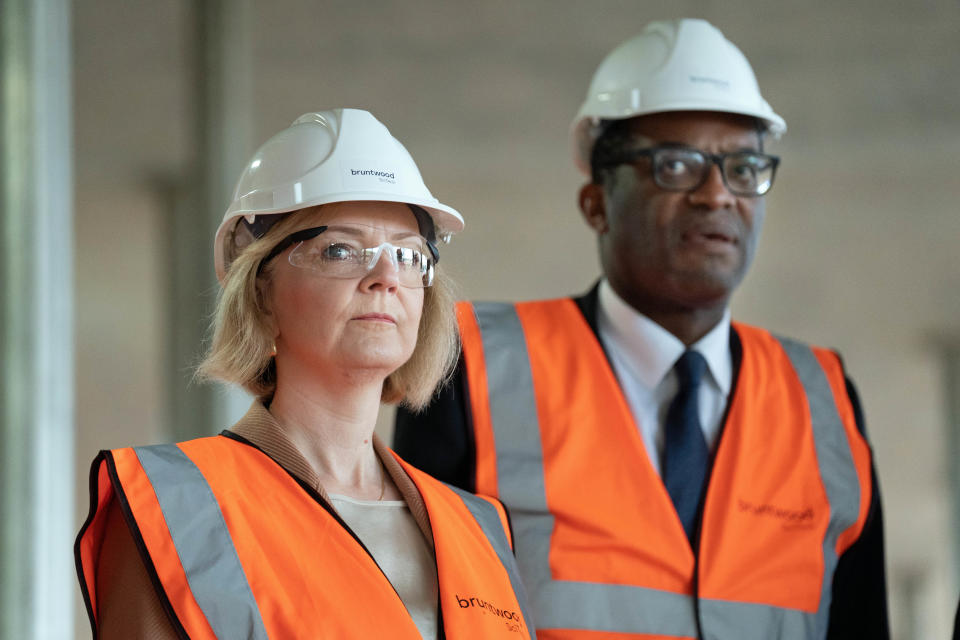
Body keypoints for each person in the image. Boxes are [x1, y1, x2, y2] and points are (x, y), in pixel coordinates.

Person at [395, 19, 888, 640]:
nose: (717, 195)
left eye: (744, 167)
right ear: (596, 202)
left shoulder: (825, 400)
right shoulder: (473, 365)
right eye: (676, 166)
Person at [75, 109, 533, 639]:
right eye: (339, 249)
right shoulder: (176, 509)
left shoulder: (478, 527)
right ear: (261, 294)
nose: (386, 276)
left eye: (408, 255)